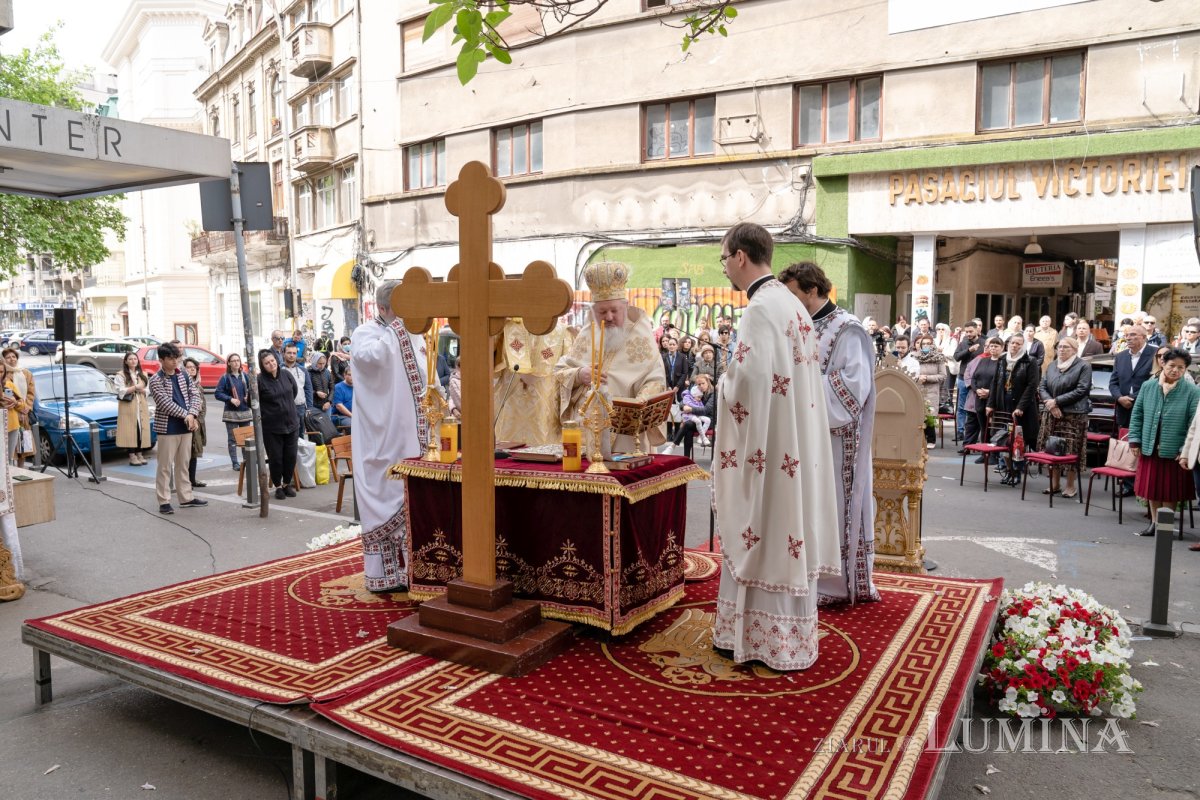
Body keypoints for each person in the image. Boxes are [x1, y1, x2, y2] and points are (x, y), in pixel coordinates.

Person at [711, 222, 840, 670]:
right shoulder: (793, 305)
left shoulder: (760, 308)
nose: (725, 267)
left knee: (761, 528)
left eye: (724, 258)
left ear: (740, 257)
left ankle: (758, 640)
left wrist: (722, 386)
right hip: (793, 442)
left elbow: (748, 380)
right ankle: (783, 639)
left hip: (770, 447)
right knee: (782, 529)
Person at [779, 261, 881, 605]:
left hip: (838, 441)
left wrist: (800, 386)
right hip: (806, 437)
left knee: (834, 507)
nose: (791, 302)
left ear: (813, 290)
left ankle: (835, 584)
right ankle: (808, 576)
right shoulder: (800, 325)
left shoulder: (847, 329)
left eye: (795, 294)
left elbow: (854, 388)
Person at [350, 280, 426, 593]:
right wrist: (397, 329)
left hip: (411, 434)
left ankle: (413, 573)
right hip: (380, 435)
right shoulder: (365, 334)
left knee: (415, 500)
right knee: (386, 492)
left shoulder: (414, 333)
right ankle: (384, 576)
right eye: (402, 305)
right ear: (383, 308)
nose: (409, 313)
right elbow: (372, 361)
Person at [553, 261, 669, 453]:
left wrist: (638, 404)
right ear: (593, 311)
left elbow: (655, 379)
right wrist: (579, 374)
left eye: (614, 311)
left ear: (625, 306)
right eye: (602, 311)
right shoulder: (586, 334)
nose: (608, 317)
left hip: (626, 435)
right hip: (585, 433)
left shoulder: (642, 337)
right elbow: (560, 371)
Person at [1129, 348, 1199, 536]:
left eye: (1181, 367)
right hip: (1149, 446)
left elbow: (1194, 423)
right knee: (1152, 488)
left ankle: (1165, 527)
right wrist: (1134, 440)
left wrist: (1184, 449)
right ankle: (1154, 523)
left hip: (1174, 450)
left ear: (1185, 370)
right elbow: (1137, 414)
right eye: (1172, 366)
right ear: (1162, 364)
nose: (1175, 370)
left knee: (1170, 491)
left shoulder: (1192, 391)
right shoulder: (1148, 386)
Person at [494, 318, 575, 447]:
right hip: (509, 407)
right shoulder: (506, 328)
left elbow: (569, 374)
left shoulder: (563, 332)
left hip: (545, 412)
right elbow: (492, 364)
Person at [148, 342, 206, 515]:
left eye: (177, 358)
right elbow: (165, 404)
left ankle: (186, 497)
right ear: (162, 360)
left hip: (186, 426)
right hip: (167, 428)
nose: (175, 362)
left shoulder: (184, 375)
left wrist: (193, 414)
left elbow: (195, 395)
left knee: (183, 464)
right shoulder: (155, 380)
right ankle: (164, 500)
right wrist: (187, 415)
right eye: (171, 359)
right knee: (165, 466)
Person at [1037, 337, 1092, 499]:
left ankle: (1070, 485)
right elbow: (1042, 386)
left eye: (1066, 347)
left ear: (1074, 350)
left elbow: (1082, 389)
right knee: (1052, 447)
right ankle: (1054, 484)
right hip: (1052, 413)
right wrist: (1051, 404)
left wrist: (1057, 401)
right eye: (1059, 347)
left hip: (1073, 415)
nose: (1061, 350)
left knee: (1071, 449)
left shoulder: (1083, 366)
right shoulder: (1053, 365)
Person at [987, 334, 1041, 486]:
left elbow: (1032, 386)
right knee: (1003, 439)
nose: (1014, 346)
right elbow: (995, 382)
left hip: (1021, 408)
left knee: (1017, 441)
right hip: (1003, 404)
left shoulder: (1030, 361)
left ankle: (1017, 472)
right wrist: (990, 403)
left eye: (1018, 343)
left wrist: (1020, 407)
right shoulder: (1002, 359)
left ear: (1023, 345)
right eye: (1012, 343)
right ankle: (1008, 471)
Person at [256, 349, 300, 500]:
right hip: (272, 427)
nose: (271, 364)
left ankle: (287, 483)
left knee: (290, 456)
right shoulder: (259, 380)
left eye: (272, 361)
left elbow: (293, 391)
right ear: (262, 366)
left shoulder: (286, 374)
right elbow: (253, 402)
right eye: (267, 363)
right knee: (276, 457)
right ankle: (278, 486)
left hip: (291, 423)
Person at [660, 373, 714, 459]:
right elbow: (685, 399)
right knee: (688, 429)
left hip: (708, 420)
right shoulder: (696, 390)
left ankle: (673, 447)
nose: (701, 386)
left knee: (688, 424)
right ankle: (686, 458)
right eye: (699, 384)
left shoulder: (713, 394)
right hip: (694, 418)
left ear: (708, 382)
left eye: (703, 383)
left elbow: (705, 410)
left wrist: (690, 409)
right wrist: (683, 406)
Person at [114, 351, 152, 466]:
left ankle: (140, 453)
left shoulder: (143, 374)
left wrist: (141, 389)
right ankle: (132, 455)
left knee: (142, 429)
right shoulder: (121, 375)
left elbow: (148, 390)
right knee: (131, 430)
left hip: (141, 405)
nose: (133, 361)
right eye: (130, 359)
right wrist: (135, 387)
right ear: (126, 361)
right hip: (128, 406)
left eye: (135, 359)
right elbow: (120, 390)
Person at [910, 333, 948, 450]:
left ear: (933, 344)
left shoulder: (939, 358)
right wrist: (918, 378)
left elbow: (942, 376)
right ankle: (917, 439)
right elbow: (910, 372)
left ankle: (930, 439)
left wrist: (927, 378)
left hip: (931, 391)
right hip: (917, 389)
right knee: (917, 415)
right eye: (923, 344)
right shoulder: (914, 357)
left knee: (929, 415)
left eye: (928, 343)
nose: (926, 345)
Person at [970, 338, 1005, 459]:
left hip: (994, 399)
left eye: (996, 346)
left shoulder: (1003, 362)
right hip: (980, 398)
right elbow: (974, 377)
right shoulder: (983, 360)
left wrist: (990, 392)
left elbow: (1001, 382)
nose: (993, 348)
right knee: (983, 427)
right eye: (991, 346)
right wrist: (976, 390)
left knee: (993, 427)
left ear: (1002, 347)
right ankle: (984, 452)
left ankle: (993, 453)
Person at [215, 353, 251, 471]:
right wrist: (230, 399)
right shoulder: (225, 377)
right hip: (231, 413)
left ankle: (247, 460)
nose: (236, 362)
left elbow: (251, 390)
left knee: (246, 439)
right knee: (233, 439)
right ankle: (235, 462)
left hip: (245, 412)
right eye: (233, 360)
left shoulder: (245, 376)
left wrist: (248, 397)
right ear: (229, 363)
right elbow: (218, 393)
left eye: (238, 360)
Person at [3, 349, 34, 467]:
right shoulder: (4, 375)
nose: (12, 359)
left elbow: (31, 393)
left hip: (24, 413)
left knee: (23, 446)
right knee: (11, 447)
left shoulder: (26, 373)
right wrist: (18, 408)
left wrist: (27, 408)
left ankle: (22, 470)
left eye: (14, 356)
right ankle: (10, 471)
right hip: (11, 413)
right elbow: (9, 397)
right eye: (8, 357)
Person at [954, 321, 983, 443]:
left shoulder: (983, 343)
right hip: (962, 378)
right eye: (967, 332)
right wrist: (969, 350)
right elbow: (956, 357)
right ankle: (960, 431)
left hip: (977, 380)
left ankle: (974, 434)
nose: (968, 334)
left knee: (974, 408)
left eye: (971, 331)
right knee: (961, 407)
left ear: (977, 330)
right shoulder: (963, 342)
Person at [182, 357, 209, 489]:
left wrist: (199, 418)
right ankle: (186, 481)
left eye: (194, 367)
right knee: (186, 453)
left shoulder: (198, 385)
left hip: (198, 422)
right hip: (187, 422)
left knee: (195, 453)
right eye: (188, 367)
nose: (192, 369)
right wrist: (192, 418)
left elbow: (203, 406)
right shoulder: (184, 384)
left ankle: (192, 479)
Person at [282, 343, 313, 437]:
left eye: (294, 353)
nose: (292, 355)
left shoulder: (303, 370)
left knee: (300, 436)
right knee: (286, 436)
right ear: (284, 353)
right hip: (284, 408)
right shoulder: (278, 369)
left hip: (300, 407)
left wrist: (309, 408)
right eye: (289, 353)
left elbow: (308, 389)